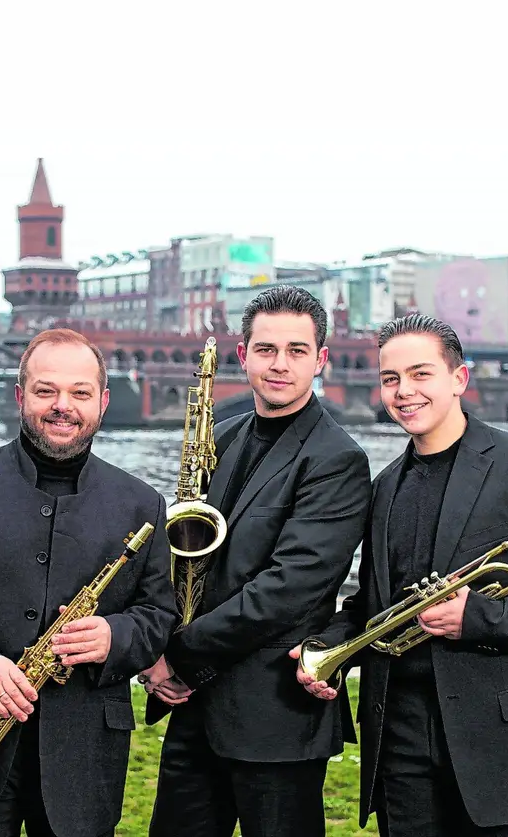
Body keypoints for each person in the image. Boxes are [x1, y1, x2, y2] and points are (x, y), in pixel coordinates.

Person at [294, 313, 508, 837]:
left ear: (458, 379)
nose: (404, 391)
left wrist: (479, 616)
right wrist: (325, 647)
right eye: (390, 379)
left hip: (503, 736)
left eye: (420, 374)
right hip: (401, 735)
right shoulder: (386, 486)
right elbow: (377, 603)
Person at [0, 328, 177, 837]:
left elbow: (158, 615)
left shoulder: (142, 502)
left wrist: (116, 637)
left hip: (83, 759)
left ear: (103, 402)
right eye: (46, 391)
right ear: (20, 397)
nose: (63, 406)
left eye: (80, 393)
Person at [143, 285, 372, 837]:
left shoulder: (338, 459)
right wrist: (152, 645)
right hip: (197, 712)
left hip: (275, 718)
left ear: (320, 361)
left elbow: (287, 589)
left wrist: (176, 658)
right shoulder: (221, 436)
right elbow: (187, 563)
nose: (280, 364)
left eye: (297, 351)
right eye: (266, 349)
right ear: (242, 355)